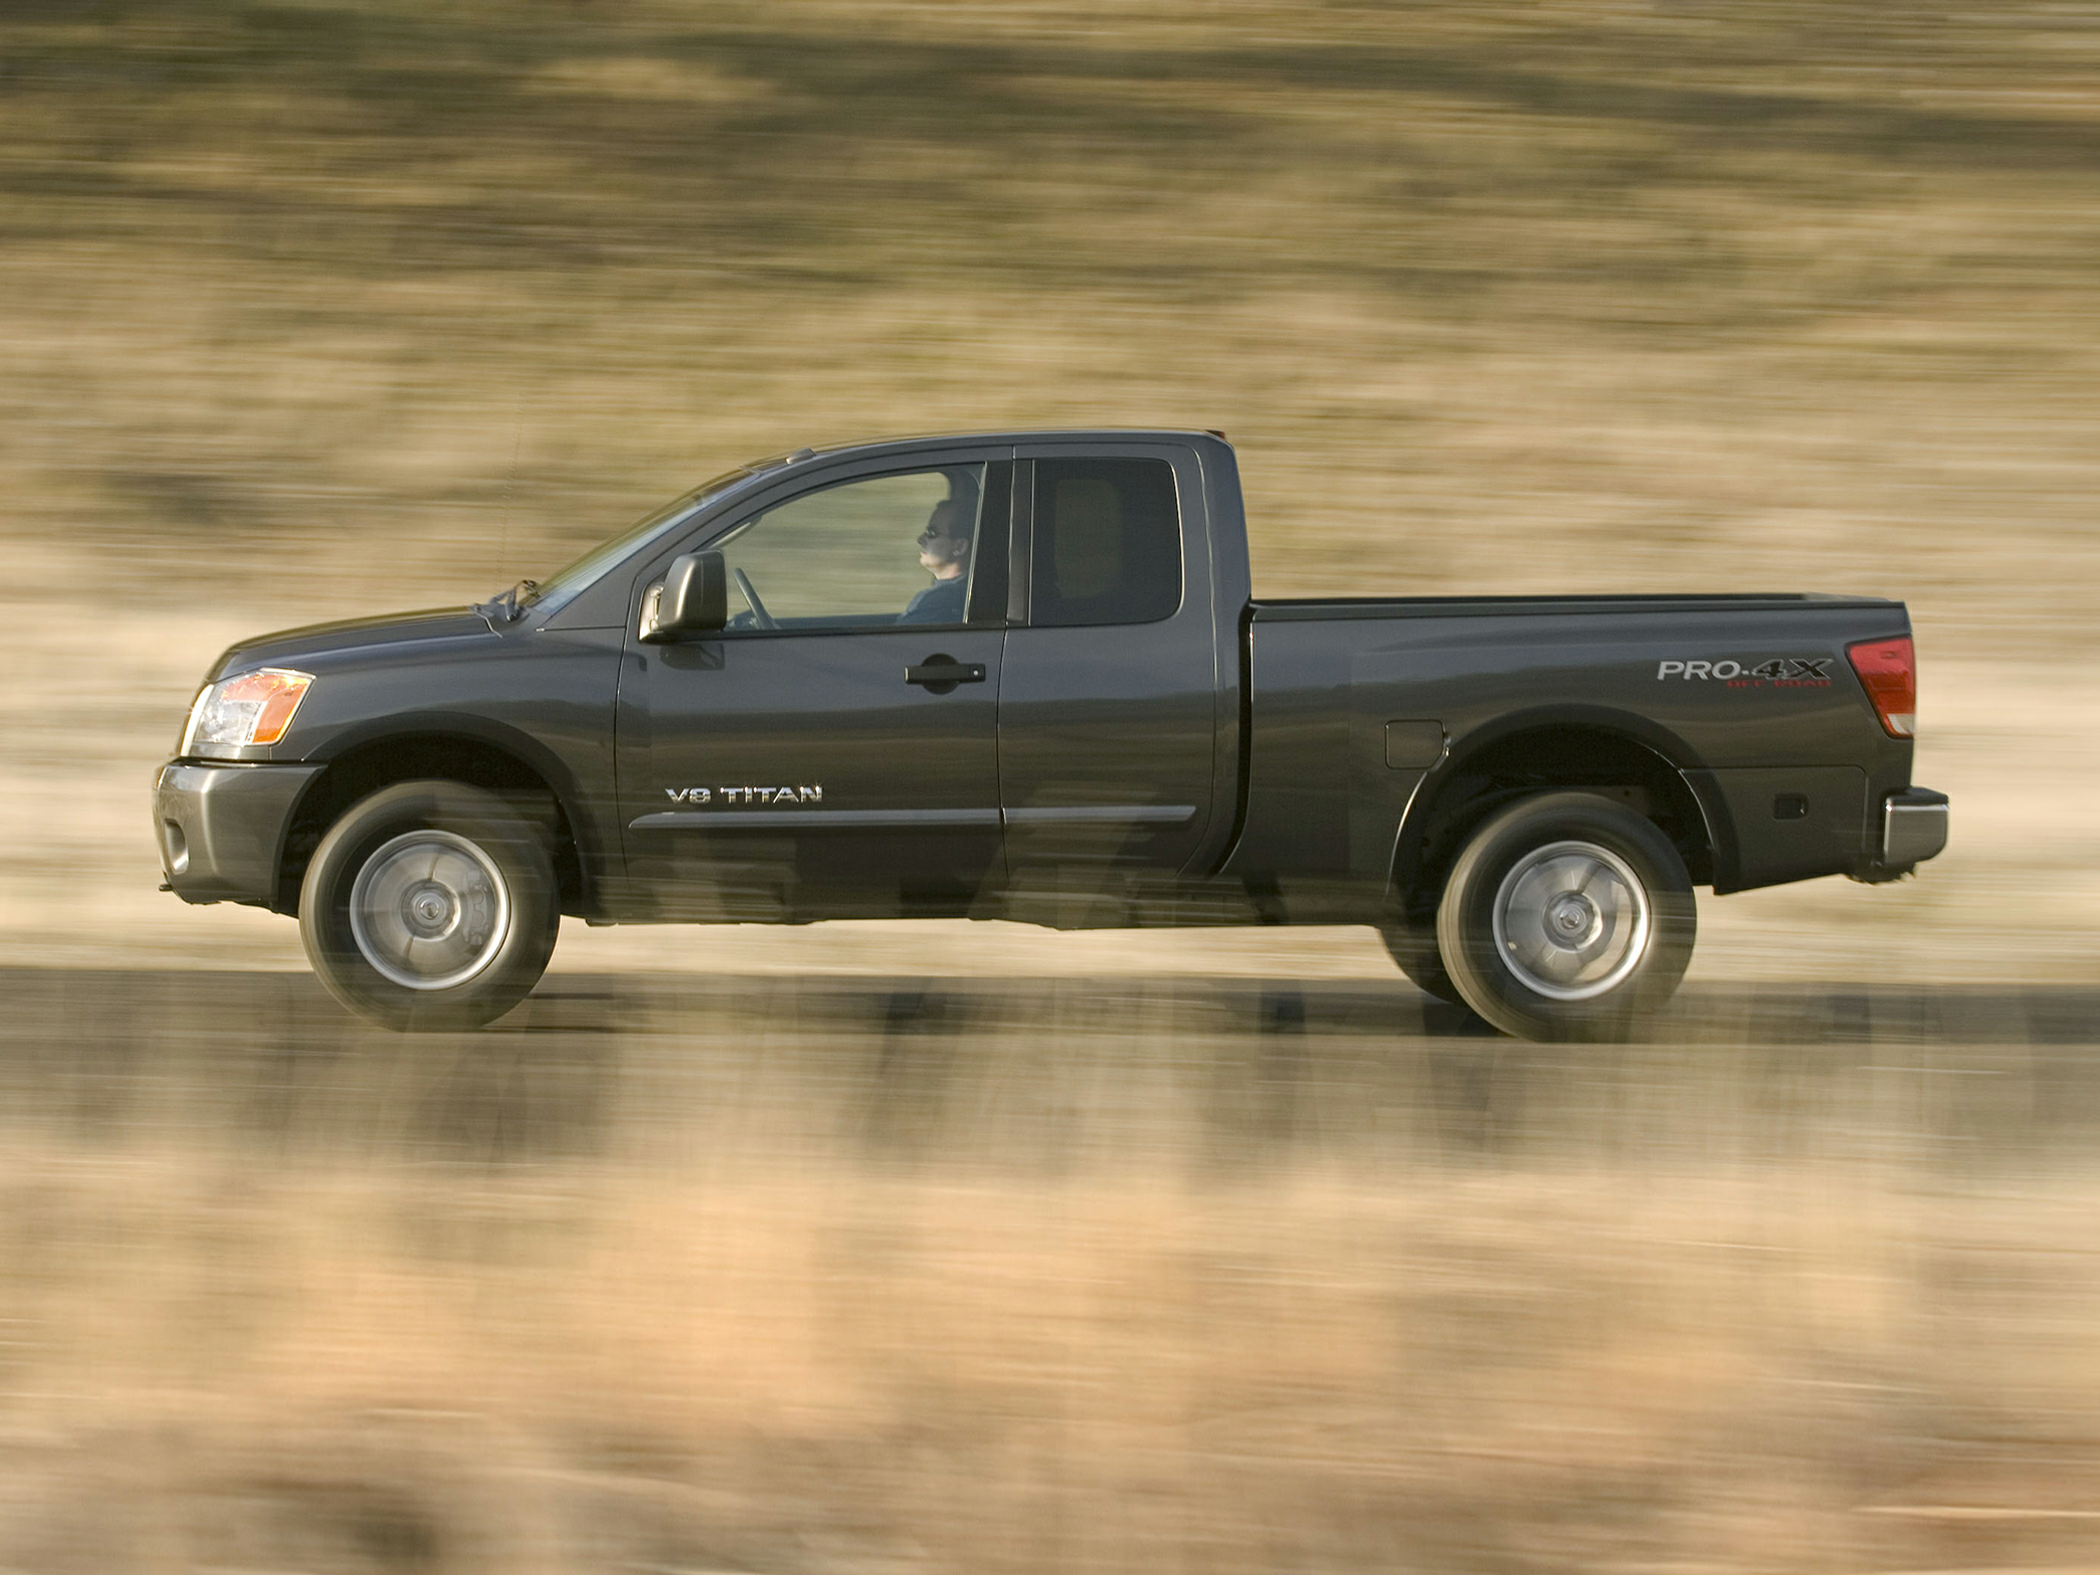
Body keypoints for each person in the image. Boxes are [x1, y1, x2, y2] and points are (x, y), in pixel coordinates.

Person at [899, 497, 974, 624]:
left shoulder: (942, 600)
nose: (920, 539)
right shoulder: (950, 596)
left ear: (959, 546)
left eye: (931, 533)